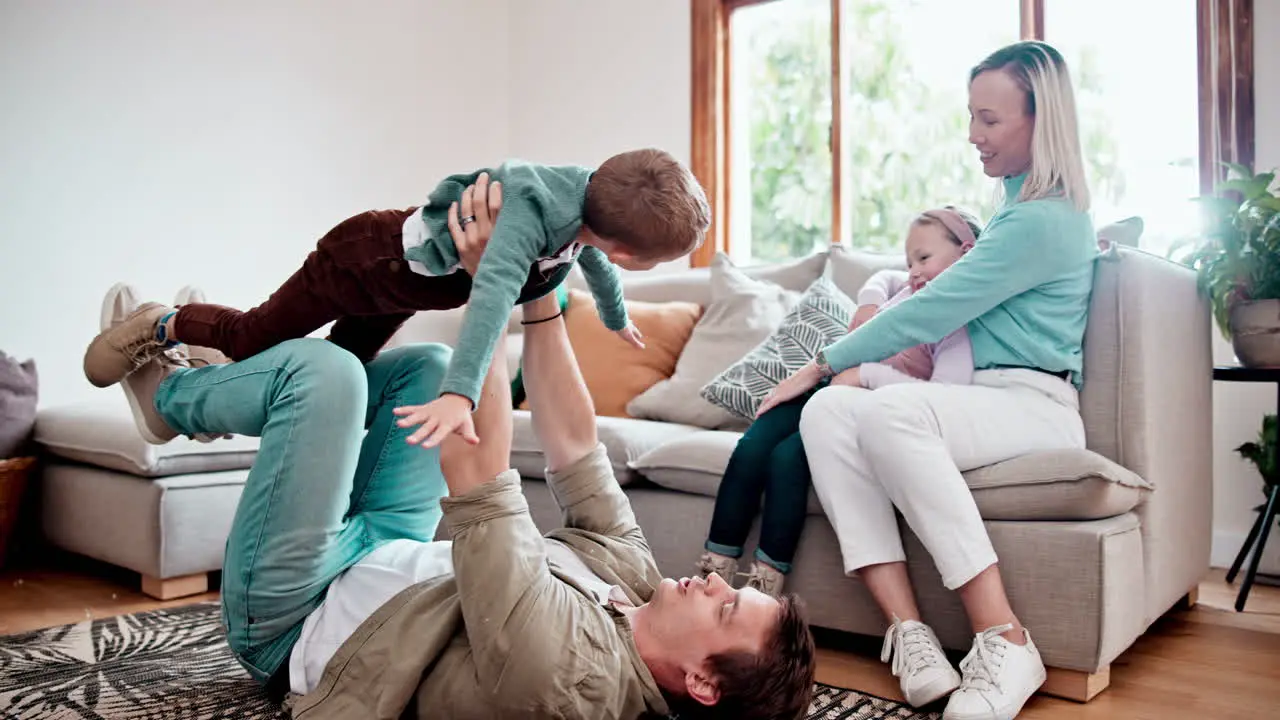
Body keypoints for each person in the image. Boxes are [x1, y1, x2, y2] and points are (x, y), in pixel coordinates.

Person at [85, 182, 815, 720]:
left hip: (298, 617)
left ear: (702, 684)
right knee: (429, 373)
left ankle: (174, 402)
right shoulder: (633, 582)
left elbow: (477, 467)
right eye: (732, 588)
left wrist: (489, 280)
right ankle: (238, 380)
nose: (716, 582)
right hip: (385, 557)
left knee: (327, 373)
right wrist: (535, 291)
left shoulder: (569, 678)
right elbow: (574, 445)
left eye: (726, 610)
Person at [756, 41, 1097, 720]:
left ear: (1041, 119)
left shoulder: (1044, 220)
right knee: (829, 414)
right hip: (981, 399)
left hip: (1037, 402)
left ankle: (1005, 638)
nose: (973, 135)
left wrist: (823, 360)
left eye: (990, 120)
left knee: (885, 412)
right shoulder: (1011, 214)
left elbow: (934, 308)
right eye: (973, 117)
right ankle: (909, 634)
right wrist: (831, 380)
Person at [82, 149, 711, 448]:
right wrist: (458, 392)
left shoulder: (590, 214)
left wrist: (616, 316)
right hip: (361, 260)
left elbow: (592, 261)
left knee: (341, 383)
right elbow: (491, 299)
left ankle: (213, 378)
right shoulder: (529, 216)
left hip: (398, 288)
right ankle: (161, 324)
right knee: (253, 331)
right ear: (634, 252)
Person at [697, 207, 982, 598]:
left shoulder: (955, 327)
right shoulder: (905, 288)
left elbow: (945, 393)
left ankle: (764, 585)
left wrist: (866, 377)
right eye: (909, 259)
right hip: (826, 386)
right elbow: (885, 276)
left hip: (854, 412)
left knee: (787, 460)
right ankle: (713, 569)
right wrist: (869, 300)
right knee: (751, 447)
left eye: (924, 258)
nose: (914, 270)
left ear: (965, 253)